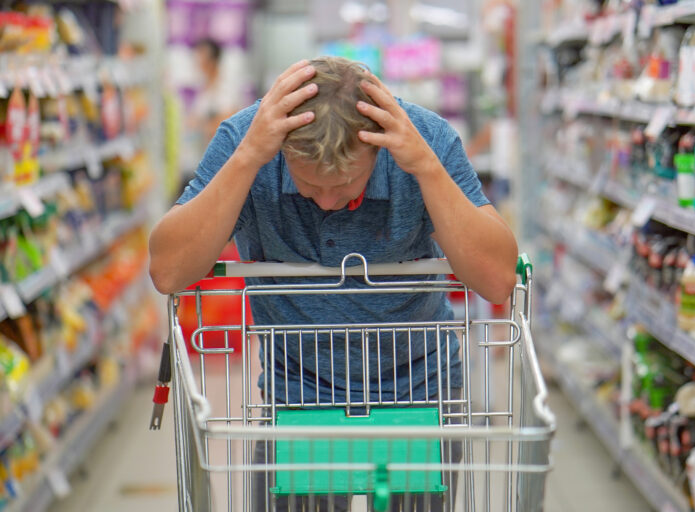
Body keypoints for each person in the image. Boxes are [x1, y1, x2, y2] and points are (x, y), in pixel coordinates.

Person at [149, 56, 517, 510]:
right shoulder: (248, 139)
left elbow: (498, 280)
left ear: (377, 151)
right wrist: (247, 158)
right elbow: (168, 271)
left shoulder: (423, 139)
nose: (325, 201)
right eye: (308, 184)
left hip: (420, 394)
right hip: (298, 399)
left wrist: (426, 168)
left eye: (344, 183)